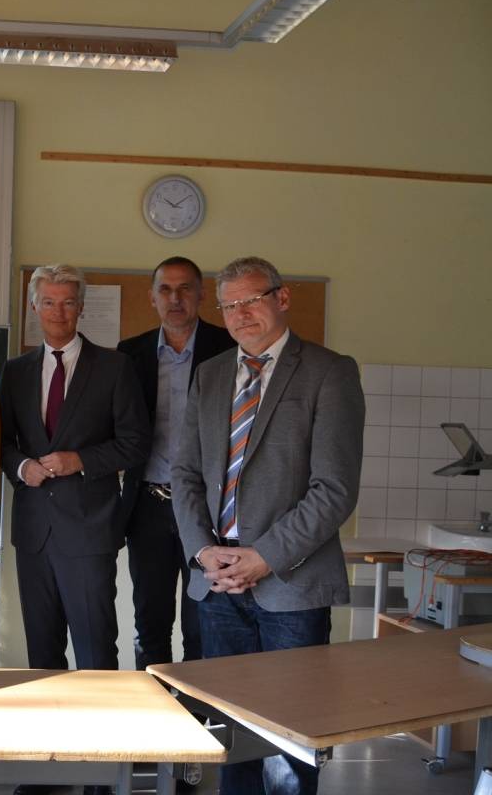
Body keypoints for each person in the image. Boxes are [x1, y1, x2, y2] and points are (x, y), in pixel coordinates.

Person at [171, 256, 364, 795]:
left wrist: (263, 558)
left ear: (282, 299)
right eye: (229, 305)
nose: (239, 314)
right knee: (230, 738)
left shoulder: (330, 371)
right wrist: (204, 553)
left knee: (288, 744)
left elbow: (335, 490)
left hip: (291, 587)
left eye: (251, 299)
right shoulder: (209, 376)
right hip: (217, 583)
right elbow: (184, 473)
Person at [0, 264, 149, 795]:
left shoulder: (115, 368)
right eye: (49, 302)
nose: (58, 311)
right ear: (34, 307)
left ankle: (99, 772)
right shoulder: (15, 371)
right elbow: (4, 443)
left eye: (68, 303)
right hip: (35, 530)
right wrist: (23, 467)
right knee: (42, 656)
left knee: (95, 653)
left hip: (89, 531)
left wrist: (77, 459)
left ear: (81, 309)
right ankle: (48, 768)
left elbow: (134, 443)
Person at [117, 257, 235, 670]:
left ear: (203, 295)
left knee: (202, 621)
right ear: (152, 298)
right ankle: (154, 717)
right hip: (148, 504)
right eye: (165, 289)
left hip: (208, 508)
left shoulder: (229, 349)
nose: (175, 298)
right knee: (150, 621)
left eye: (185, 288)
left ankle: (198, 717)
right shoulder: (129, 354)